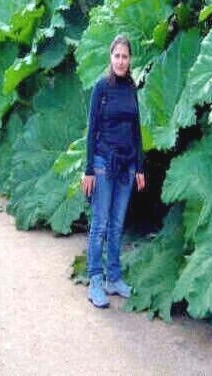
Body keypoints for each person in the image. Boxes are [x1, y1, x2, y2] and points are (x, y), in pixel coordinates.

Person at [82, 34, 145, 308]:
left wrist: (139, 166)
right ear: (111, 57)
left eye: (125, 56)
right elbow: (92, 130)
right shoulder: (101, 88)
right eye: (117, 56)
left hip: (127, 165)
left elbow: (136, 129)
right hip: (103, 163)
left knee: (117, 225)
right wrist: (88, 170)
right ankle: (96, 280)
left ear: (130, 60)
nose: (121, 61)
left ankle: (114, 278)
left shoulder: (131, 87)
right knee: (100, 225)